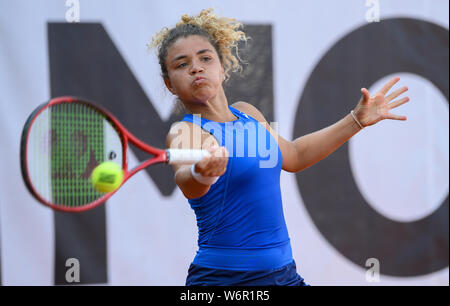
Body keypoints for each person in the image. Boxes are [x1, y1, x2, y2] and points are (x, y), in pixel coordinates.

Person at [148, 8, 409, 286]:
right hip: (223, 280)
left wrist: (356, 120)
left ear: (222, 69)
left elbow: (295, 156)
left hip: (284, 275)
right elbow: (186, 180)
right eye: (181, 64)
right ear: (170, 84)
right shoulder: (185, 131)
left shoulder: (249, 114)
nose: (196, 68)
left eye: (205, 58)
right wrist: (203, 172)